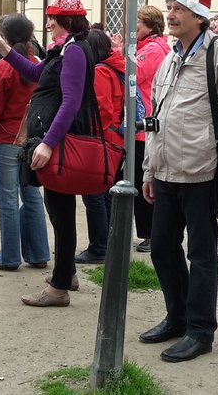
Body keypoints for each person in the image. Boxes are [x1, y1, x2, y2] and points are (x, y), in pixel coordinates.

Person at [140, 0, 218, 363]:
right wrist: (148, 170)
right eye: (169, 8)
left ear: (199, 16)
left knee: (202, 255)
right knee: (160, 247)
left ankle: (201, 330)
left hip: (202, 172)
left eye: (179, 9)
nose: (170, 14)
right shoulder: (172, 56)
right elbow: (156, 117)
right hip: (168, 171)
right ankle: (178, 317)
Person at [0, 0, 96, 308]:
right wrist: (4, 48)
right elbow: (36, 74)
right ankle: (67, 273)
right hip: (57, 139)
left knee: (60, 215)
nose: (47, 24)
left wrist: (48, 143)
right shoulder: (67, 47)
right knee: (59, 212)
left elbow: (71, 102)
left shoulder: (74, 50)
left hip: (61, 141)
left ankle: (59, 288)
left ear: (68, 21)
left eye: (53, 19)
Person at [0, 14, 50, 271]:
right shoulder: (37, 63)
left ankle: (9, 256)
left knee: (7, 199)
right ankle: (38, 253)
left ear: (3, 38)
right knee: (32, 195)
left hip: (7, 138)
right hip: (32, 140)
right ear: (30, 37)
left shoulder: (2, 68)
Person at [73, 29, 127, 265]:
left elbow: (102, 110)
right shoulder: (115, 65)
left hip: (103, 140)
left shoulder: (100, 71)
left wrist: (90, 135)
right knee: (104, 194)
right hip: (114, 139)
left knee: (94, 195)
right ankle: (108, 244)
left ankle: (100, 247)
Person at [133, 4, 171, 252]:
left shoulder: (154, 49)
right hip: (144, 123)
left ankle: (151, 234)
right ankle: (149, 232)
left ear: (149, 25)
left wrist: (116, 53)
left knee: (143, 181)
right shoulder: (151, 46)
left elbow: (134, 73)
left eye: (137, 22)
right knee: (141, 179)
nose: (133, 26)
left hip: (144, 123)